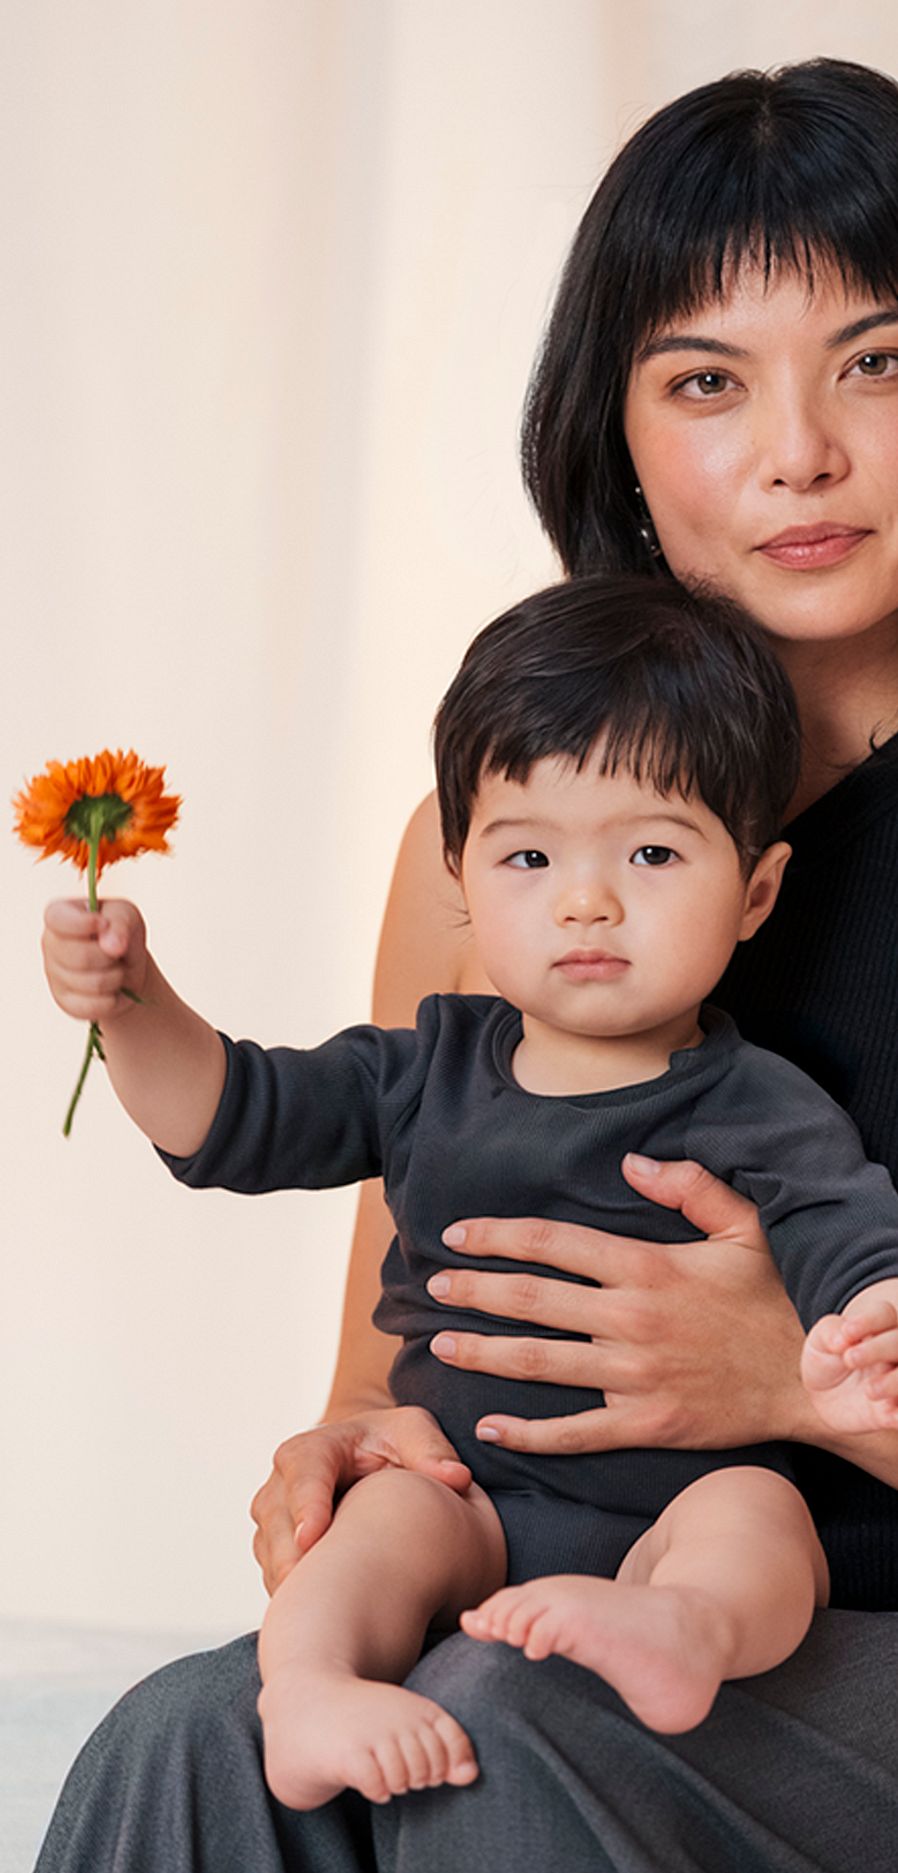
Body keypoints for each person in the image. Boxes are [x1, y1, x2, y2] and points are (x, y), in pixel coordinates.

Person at [34, 54, 898, 1873]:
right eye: (704, 381)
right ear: (619, 435)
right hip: (537, 1561)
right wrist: (346, 1462)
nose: (799, 450)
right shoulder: (499, 849)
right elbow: (393, 1360)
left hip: (805, 1626)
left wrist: (787, 1383)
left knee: (516, 1728)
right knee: (192, 1730)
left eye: (876, 362)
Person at [40, 573, 898, 1810]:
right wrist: (134, 1006)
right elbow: (233, 1114)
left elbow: (847, 1240)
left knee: (758, 1517)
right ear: (460, 871)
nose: (586, 898)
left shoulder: (759, 1101)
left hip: (670, 1515)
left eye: (652, 852)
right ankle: (313, 1691)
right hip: (470, 1496)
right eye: (529, 855)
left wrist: (865, 1320)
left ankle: (678, 1632)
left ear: (754, 892)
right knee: (376, 1525)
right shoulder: (423, 1067)